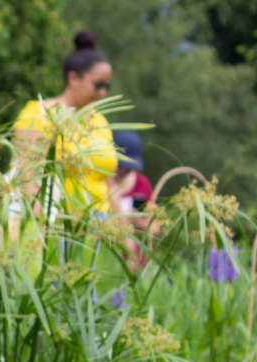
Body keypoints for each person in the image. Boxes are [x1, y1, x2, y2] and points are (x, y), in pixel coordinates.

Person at [11, 30, 118, 223]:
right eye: (98, 85)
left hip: (100, 224)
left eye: (107, 87)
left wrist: (122, 230)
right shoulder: (39, 114)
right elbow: (26, 176)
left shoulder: (99, 121)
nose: (103, 93)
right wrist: (41, 226)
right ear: (73, 78)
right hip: (58, 221)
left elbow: (110, 181)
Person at [108, 129, 152, 213]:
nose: (123, 171)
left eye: (128, 168)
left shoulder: (142, 184)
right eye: (120, 166)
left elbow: (148, 220)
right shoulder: (99, 180)